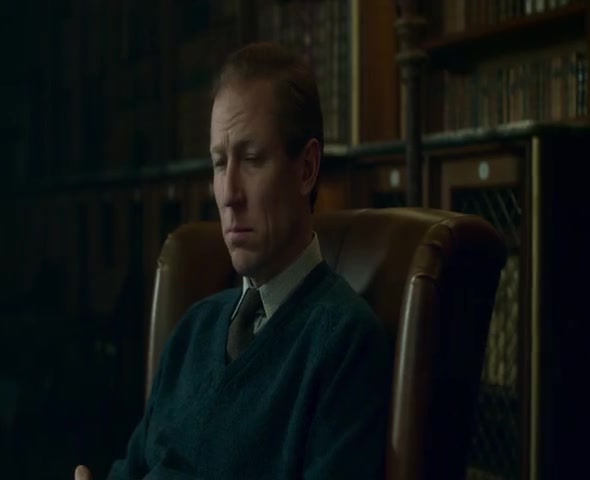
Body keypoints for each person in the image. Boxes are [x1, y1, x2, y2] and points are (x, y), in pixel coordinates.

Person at [75, 42, 392, 480]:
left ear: (306, 169)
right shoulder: (192, 329)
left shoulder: (343, 344)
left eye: (252, 159)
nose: (228, 193)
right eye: (220, 163)